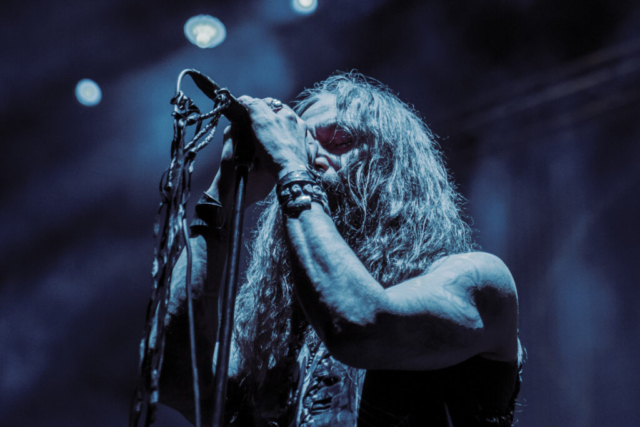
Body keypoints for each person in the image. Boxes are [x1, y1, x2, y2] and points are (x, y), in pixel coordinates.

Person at [159, 73, 522, 426]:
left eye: (338, 141)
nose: (313, 159)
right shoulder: (274, 335)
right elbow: (177, 380)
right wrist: (222, 195)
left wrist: (289, 165)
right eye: (304, 146)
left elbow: (359, 326)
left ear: (392, 166)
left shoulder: (480, 283)